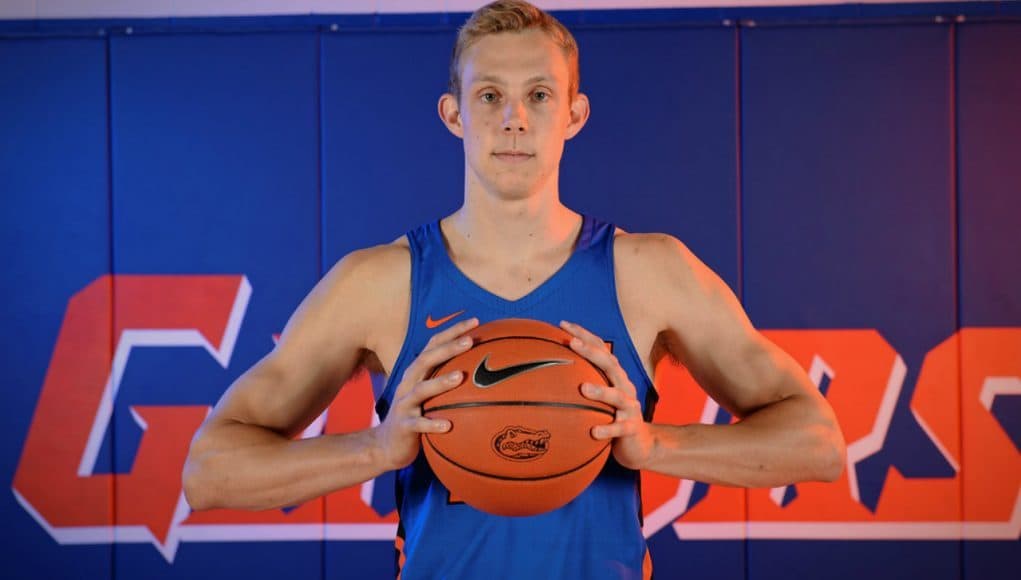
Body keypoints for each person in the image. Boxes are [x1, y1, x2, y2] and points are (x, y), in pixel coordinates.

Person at [182, 1, 846, 578]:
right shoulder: (379, 283)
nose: (513, 120)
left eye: (538, 95)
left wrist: (653, 445)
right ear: (453, 114)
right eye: (489, 95)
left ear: (574, 114)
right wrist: (376, 448)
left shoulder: (649, 271)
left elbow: (815, 443)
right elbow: (210, 472)